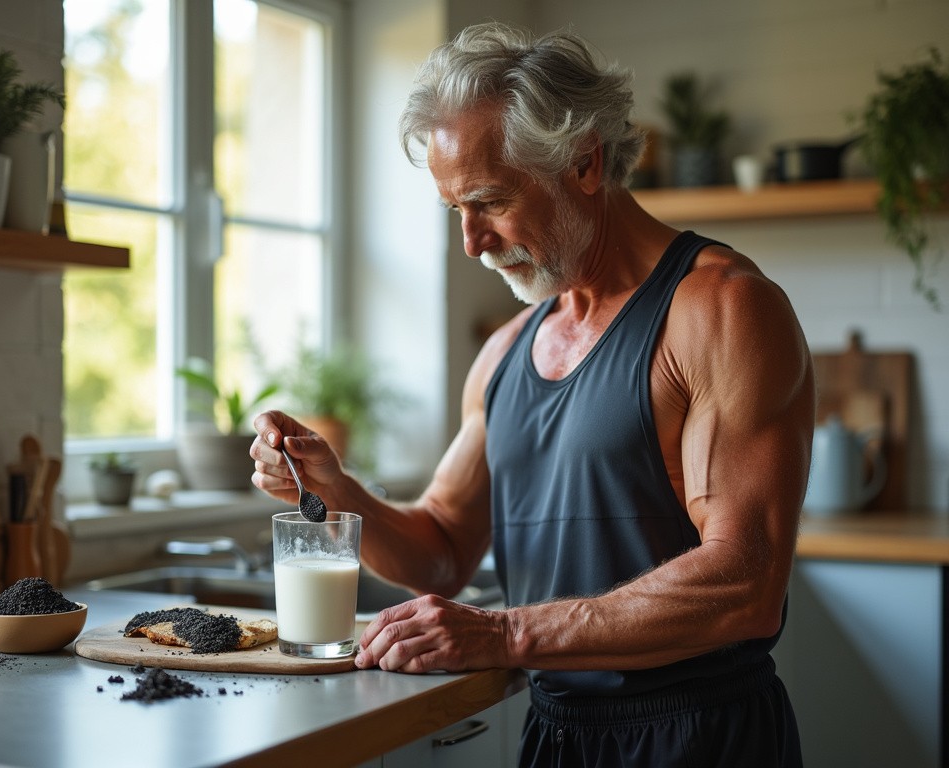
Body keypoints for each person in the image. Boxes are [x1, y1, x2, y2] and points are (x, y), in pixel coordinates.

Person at [251, 21, 813, 768]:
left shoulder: (721, 309)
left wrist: (508, 634)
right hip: (555, 733)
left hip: (698, 734)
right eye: (455, 209)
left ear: (584, 163)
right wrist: (339, 491)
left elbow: (744, 582)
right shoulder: (506, 351)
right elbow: (445, 548)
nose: (471, 242)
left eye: (488, 201)